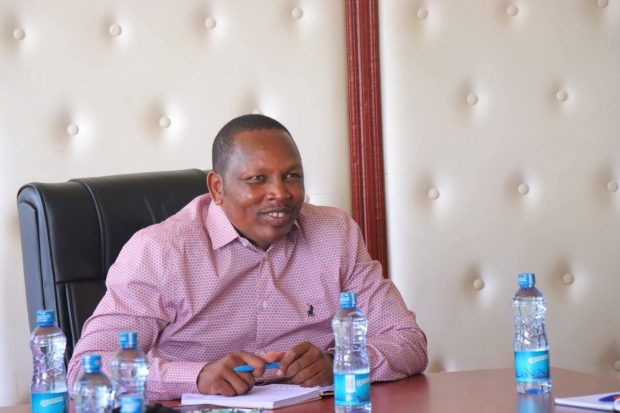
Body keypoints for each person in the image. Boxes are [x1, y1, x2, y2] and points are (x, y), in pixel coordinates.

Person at [67, 114, 428, 400]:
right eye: (257, 179)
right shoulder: (161, 251)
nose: (280, 193)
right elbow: (86, 369)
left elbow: (408, 342)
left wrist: (337, 363)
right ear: (217, 188)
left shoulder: (334, 233)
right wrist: (196, 376)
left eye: (291, 176)